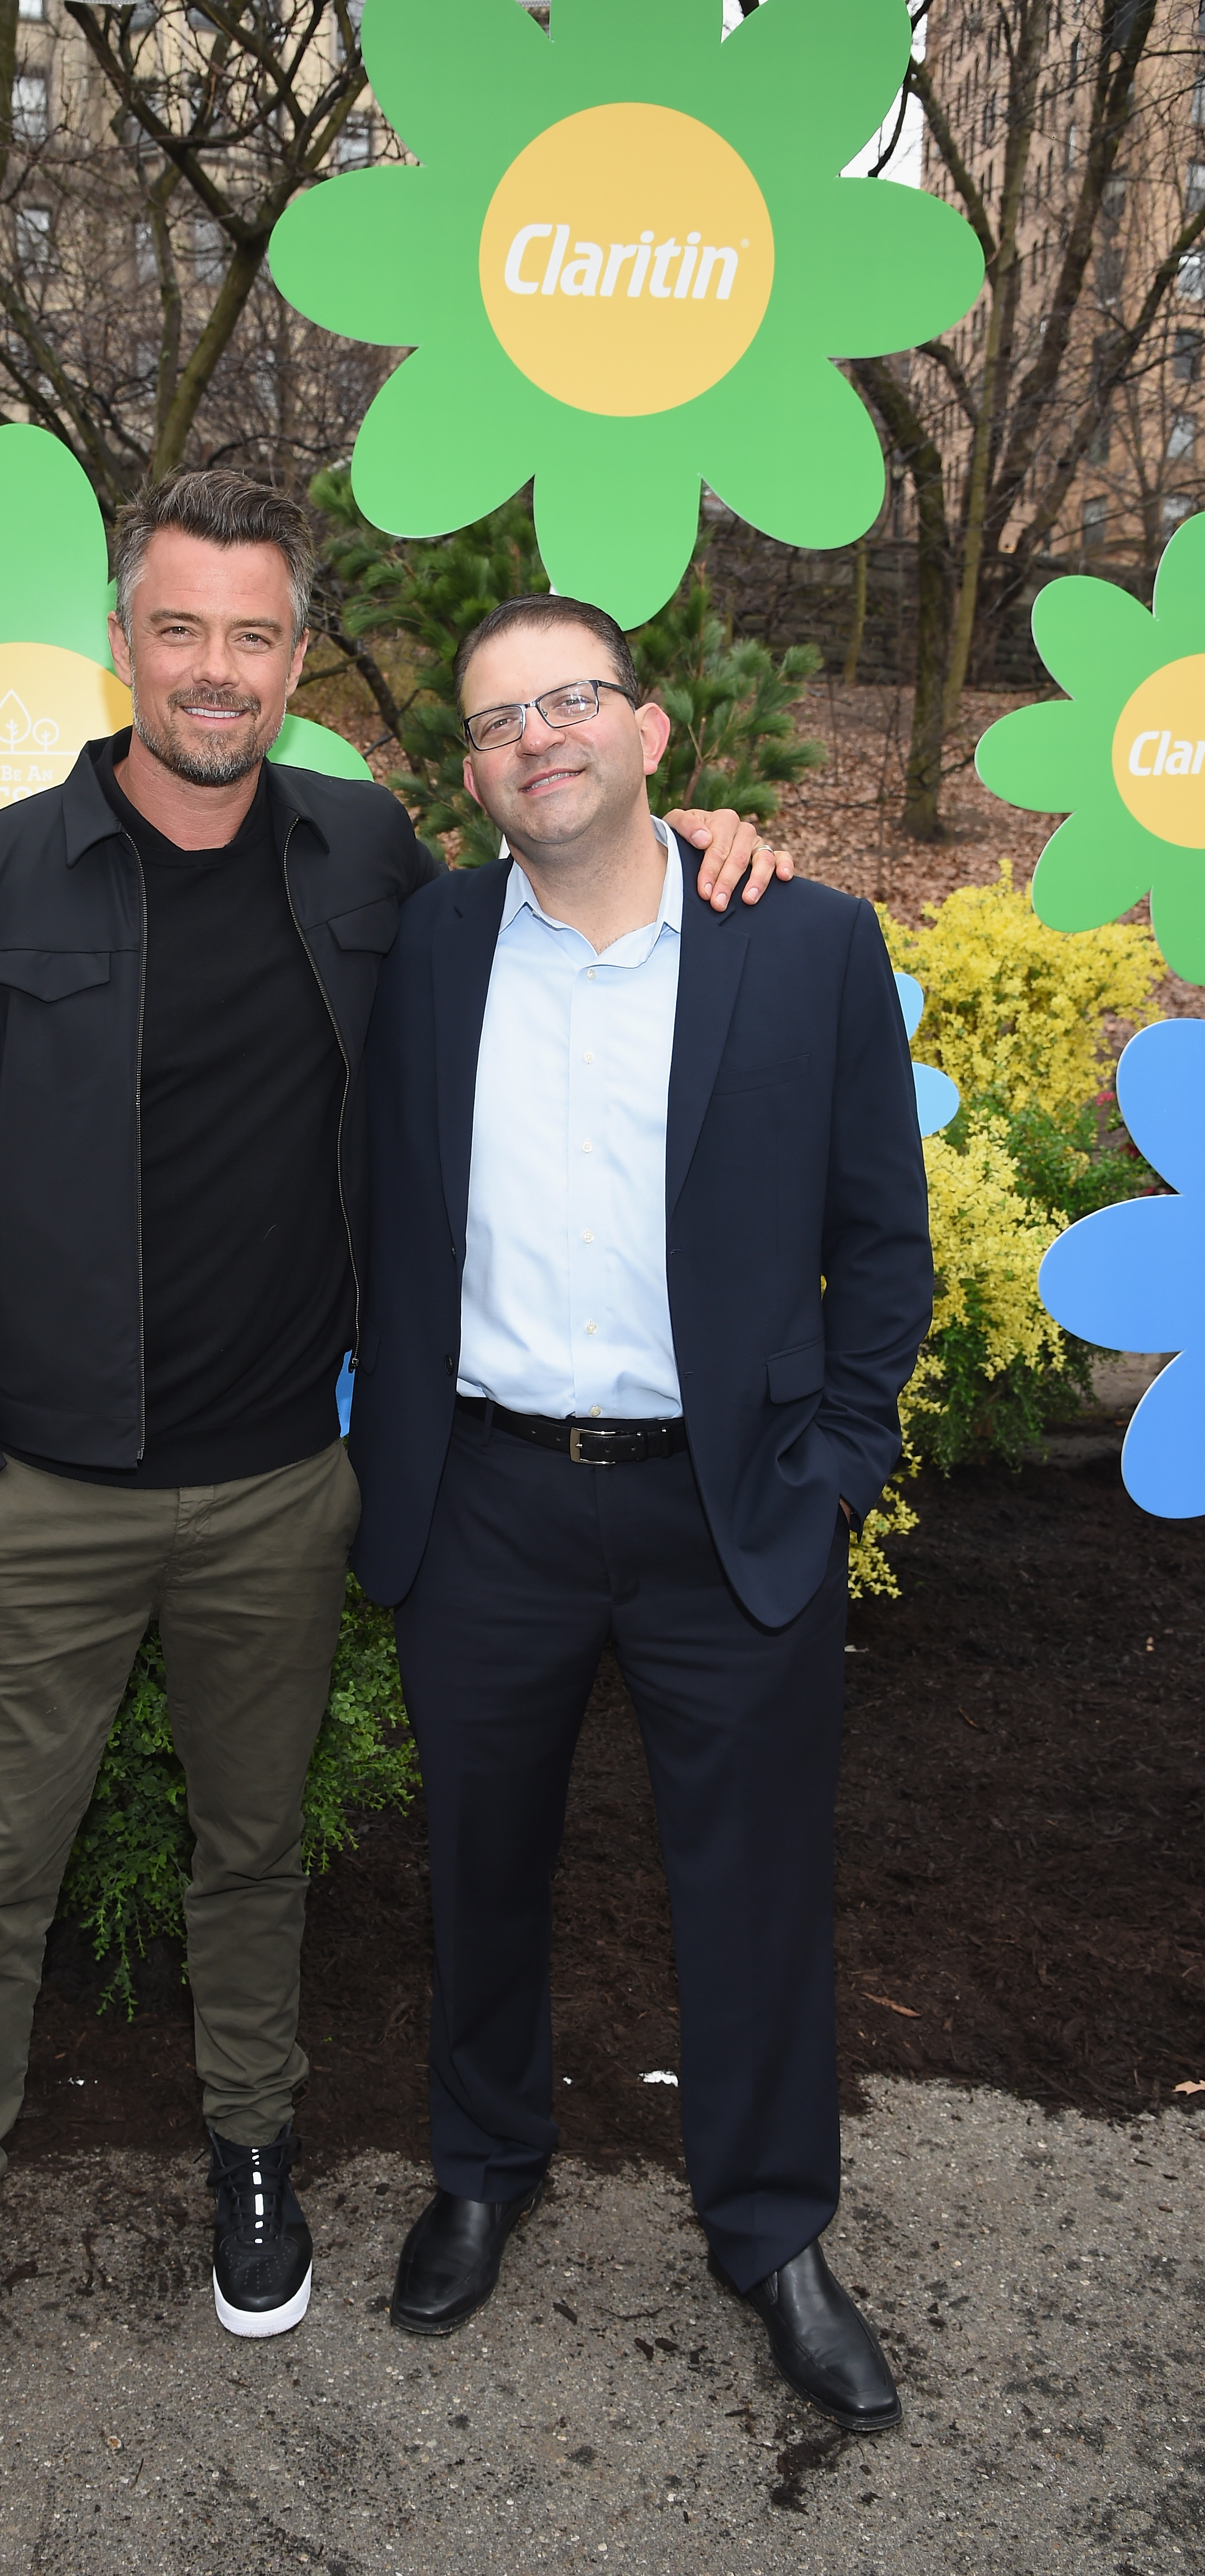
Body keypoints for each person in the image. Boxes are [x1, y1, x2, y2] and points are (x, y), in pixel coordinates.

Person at [0, 471, 789, 2445]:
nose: (215, 669)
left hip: (290, 1477)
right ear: (126, 646)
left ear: (297, 661)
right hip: (41, 1490)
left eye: (255, 634)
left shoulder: (362, 853)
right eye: (179, 628)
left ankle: (254, 2155)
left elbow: (568, 862)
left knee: (254, 1850)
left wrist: (702, 827)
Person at [348, 592, 933, 2432]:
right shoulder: (426, 943)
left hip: (728, 1509)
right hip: (491, 1501)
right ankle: (482, 2165)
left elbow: (880, 1247)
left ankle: (772, 2232)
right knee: (483, 1863)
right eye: (501, 718)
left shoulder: (808, 945)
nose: (541, 735)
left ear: (653, 732)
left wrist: (837, 1464)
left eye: (574, 698)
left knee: (753, 1889)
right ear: (470, 773)